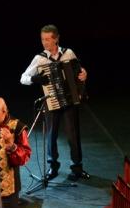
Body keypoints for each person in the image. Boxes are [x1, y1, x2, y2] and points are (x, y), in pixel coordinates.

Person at [20, 24, 90, 181]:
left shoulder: (68, 53)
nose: (44, 43)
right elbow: (23, 78)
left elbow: (80, 72)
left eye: (48, 39)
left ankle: (77, 167)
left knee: (73, 135)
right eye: (42, 39)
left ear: (56, 39)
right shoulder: (39, 59)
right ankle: (53, 167)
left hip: (70, 100)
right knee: (51, 136)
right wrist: (34, 78)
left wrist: (84, 75)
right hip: (51, 101)